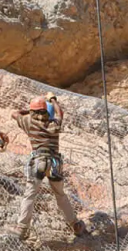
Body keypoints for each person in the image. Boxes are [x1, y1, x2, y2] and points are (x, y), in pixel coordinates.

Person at [13, 93, 86, 241]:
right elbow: (60, 113)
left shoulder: (28, 122)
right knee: (60, 195)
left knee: (30, 195)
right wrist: (53, 100)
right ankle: (75, 225)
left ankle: (21, 228)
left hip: (38, 161)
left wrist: (30, 110)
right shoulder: (54, 124)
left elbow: (15, 113)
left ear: (33, 111)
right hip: (54, 164)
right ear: (45, 111)